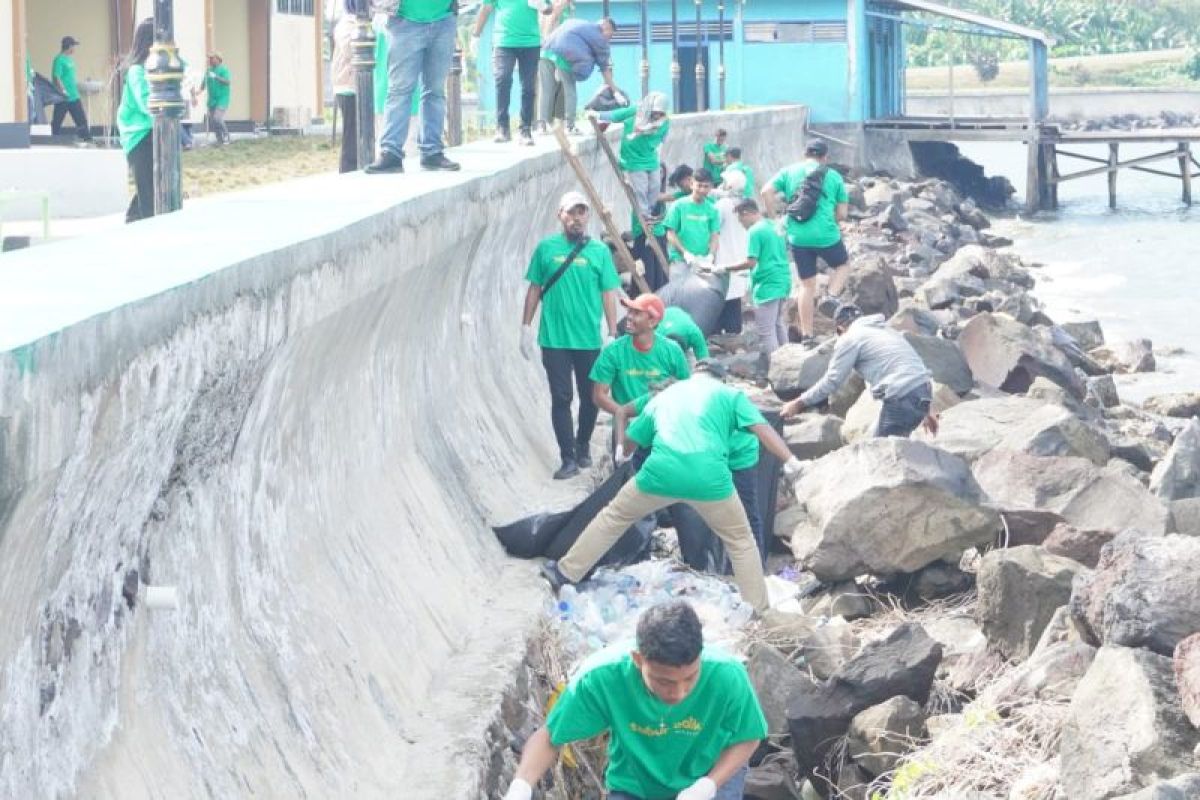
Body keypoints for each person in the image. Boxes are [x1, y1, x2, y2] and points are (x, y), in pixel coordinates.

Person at [541, 363, 803, 611]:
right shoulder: (730, 395)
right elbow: (762, 429)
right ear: (719, 379)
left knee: (614, 517)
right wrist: (790, 460)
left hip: (660, 473)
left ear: (693, 375)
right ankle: (758, 609)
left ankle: (565, 572)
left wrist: (622, 452)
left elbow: (632, 438)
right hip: (709, 478)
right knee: (741, 540)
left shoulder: (665, 395)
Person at [502, 600, 767, 800]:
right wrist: (520, 787)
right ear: (638, 660)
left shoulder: (727, 676)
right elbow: (551, 737)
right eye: (664, 682)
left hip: (710, 776)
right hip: (636, 786)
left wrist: (708, 785)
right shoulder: (603, 679)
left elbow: (748, 736)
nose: (679, 693)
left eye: (690, 678)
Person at [522, 191, 620, 479]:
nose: (577, 219)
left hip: (588, 338)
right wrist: (525, 327)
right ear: (560, 215)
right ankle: (567, 458)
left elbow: (608, 292)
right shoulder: (545, 249)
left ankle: (582, 446)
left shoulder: (599, 252)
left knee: (591, 397)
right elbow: (534, 288)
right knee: (561, 396)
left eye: (582, 213)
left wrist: (613, 331)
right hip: (554, 339)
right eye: (571, 213)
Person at [781, 303, 939, 438]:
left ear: (840, 328)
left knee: (878, 453)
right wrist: (927, 407)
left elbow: (832, 381)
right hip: (922, 392)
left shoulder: (850, 338)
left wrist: (798, 403)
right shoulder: (886, 331)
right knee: (875, 439)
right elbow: (915, 368)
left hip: (901, 397)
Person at [761, 140, 850, 346]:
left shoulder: (789, 171)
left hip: (798, 236)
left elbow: (765, 191)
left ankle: (808, 336)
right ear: (825, 157)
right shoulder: (833, 176)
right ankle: (832, 296)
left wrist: (775, 218)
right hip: (827, 235)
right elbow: (843, 213)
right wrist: (831, 220)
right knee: (843, 265)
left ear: (805, 154)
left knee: (806, 285)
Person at [366, 0, 461, 174]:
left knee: (435, 90)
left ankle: (432, 152)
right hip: (405, 21)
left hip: (444, 20)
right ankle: (391, 153)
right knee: (399, 90)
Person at [591, 294, 690, 441]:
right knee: (623, 461)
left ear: (652, 321)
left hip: (661, 428)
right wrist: (623, 413)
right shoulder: (613, 351)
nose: (629, 317)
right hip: (626, 428)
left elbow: (686, 390)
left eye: (636, 313)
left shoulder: (672, 351)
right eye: (629, 311)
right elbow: (599, 395)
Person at [719, 198, 793, 364]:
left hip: (768, 284)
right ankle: (790, 363)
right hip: (782, 279)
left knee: (766, 331)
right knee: (778, 324)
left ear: (746, 214)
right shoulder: (774, 225)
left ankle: (777, 368)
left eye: (741, 220)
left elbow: (751, 261)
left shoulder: (755, 231)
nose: (742, 225)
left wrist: (725, 268)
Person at [473, 0, 541, 146]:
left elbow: (548, 9)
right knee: (502, 79)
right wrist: (476, 35)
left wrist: (542, 5)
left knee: (528, 87)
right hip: (504, 41)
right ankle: (502, 128)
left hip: (530, 42)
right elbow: (486, 8)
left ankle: (525, 130)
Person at [594, 92, 670, 222]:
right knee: (641, 188)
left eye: (660, 113)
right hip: (633, 158)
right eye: (655, 111)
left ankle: (649, 210)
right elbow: (617, 115)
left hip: (650, 158)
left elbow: (662, 140)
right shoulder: (636, 112)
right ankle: (644, 214)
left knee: (655, 186)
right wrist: (597, 116)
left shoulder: (664, 122)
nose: (656, 115)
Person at [537, 17, 618, 135]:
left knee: (546, 90)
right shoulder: (599, 37)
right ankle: (570, 126)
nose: (609, 39)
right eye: (610, 36)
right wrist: (615, 91)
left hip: (545, 51)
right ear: (606, 27)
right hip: (563, 55)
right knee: (570, 90)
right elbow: (604, 68)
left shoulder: (580, 24)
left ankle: (541, 126)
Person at [117, 19, 154, 224]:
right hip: (139, 136)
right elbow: (147, 104)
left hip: (151, 134)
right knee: (149, 191)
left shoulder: (152, 69)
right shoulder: (137, 72)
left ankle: (133, 221)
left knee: (150, 187)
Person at [712, 170, 749, 335]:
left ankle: (717, 332)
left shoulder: (723, 205)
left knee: (720, 295)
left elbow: (713, 229)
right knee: (734, 297)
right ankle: (734, 333)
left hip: (724, 255)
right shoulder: (745, 203)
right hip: (740, 255)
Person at [664, 168, 720, 274]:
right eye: (699, 185)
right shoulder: (678, 206)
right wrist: (685, 253)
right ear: (692, 184)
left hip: (702, 262)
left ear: (711, 187)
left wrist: (711, 255)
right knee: (680, 290)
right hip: (680, 261)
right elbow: (670, 233)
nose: (702, 190)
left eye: (706, 186)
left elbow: (715, 235)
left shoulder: (713, 209)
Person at [50, 36, 92, 143]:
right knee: (57, 121)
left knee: (81, 119)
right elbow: (56, 77)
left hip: (74, 96)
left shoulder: (70, 59)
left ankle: (87, 139)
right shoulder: (59, 59)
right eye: (73, 46)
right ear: (69, 46)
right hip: (63, 97)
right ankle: (52, 139)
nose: (74, 49)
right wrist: (63, 90)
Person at [198, 53, 231, 145]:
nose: (209, 60)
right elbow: (203, 84)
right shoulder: (208, 70)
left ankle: (226, 135)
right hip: (212, 100)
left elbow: (227, 82)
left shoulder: (224, 69)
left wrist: (216, 77)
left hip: (222, 98)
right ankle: (219, 140)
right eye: (209, 58)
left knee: (217, 118)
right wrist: (198, 92)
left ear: (218, 59)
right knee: (213, 121)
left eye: (212, 58)